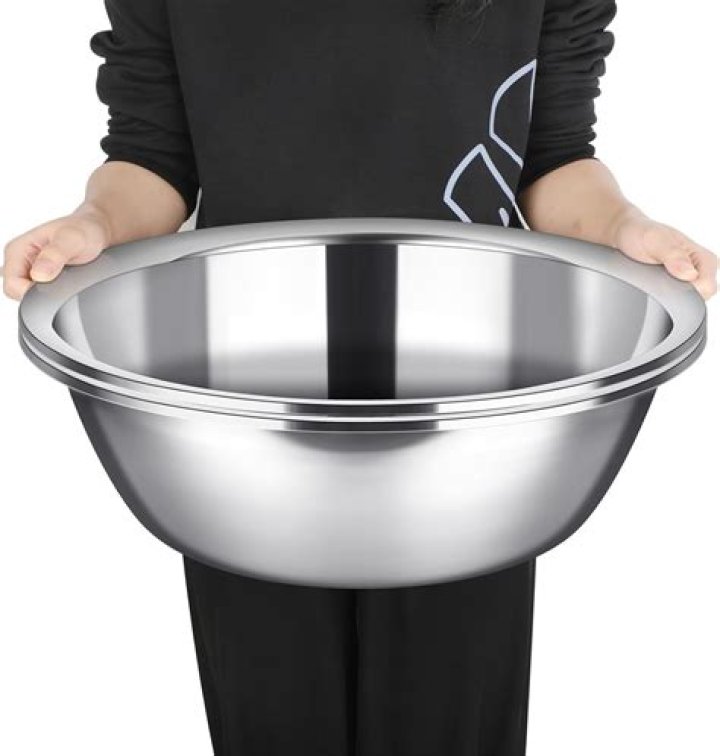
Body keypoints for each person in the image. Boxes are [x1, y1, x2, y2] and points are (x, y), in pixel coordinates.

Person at [2, 1, 717, 754]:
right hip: (243, 417)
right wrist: (95, 224)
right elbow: (153, 155)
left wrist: (622, 227)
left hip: (472, 423)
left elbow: (554, 159)